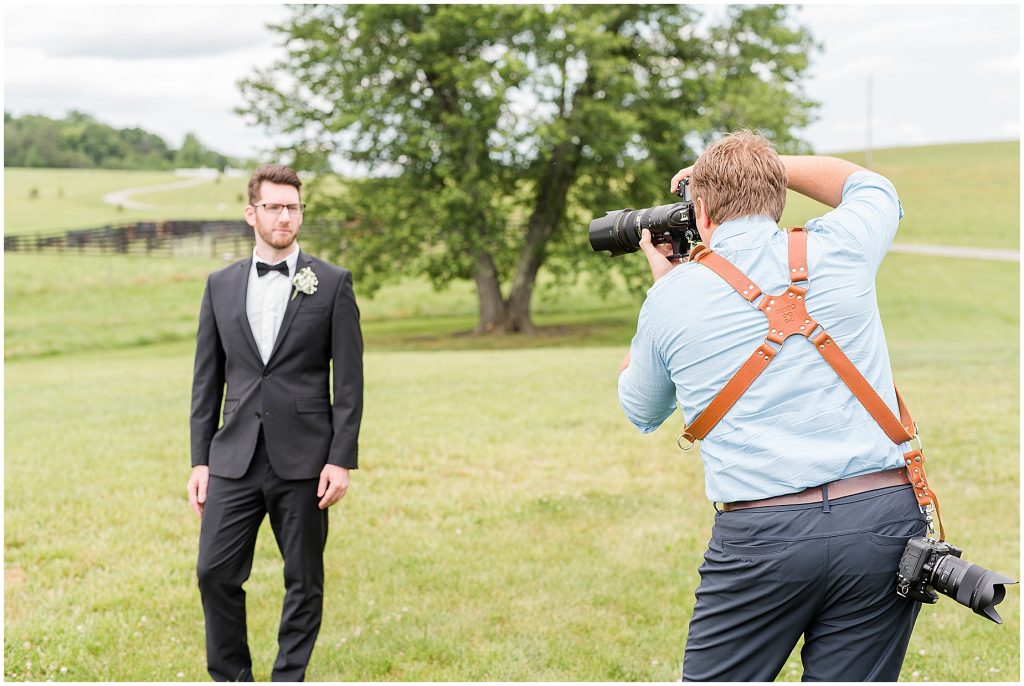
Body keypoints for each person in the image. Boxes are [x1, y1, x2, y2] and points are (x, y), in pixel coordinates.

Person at [618, 131, 930, 681]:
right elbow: (871, 186)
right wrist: (767, 165)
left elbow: (640, 408)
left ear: (701, 208)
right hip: (881, 520)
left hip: (762, 533)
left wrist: (663, 291)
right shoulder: (841, 245)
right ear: (777, 195)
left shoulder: (672, 295)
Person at [187, 164, 363, 681]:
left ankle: (289, 677)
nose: (285, 216)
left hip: (306, 460)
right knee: (213, 573)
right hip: (233, 458)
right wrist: (200, 460)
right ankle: (231, 678)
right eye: (274, 207)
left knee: (304, 579)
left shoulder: (331, 284)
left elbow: (348, 382)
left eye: (293, 207)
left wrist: (341, 459)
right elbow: (206, 381)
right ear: (252, 213)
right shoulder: (219, 286)